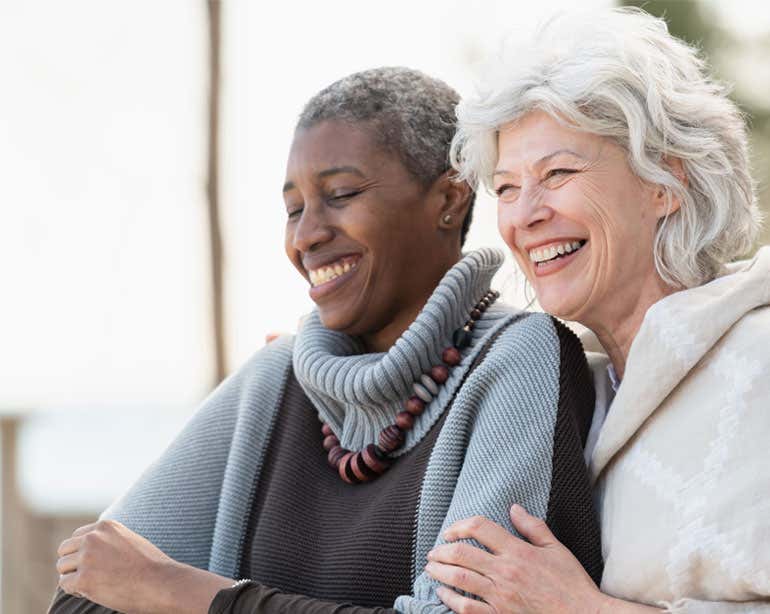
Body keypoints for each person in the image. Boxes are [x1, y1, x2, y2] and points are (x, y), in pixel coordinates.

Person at [50, 67, 601, 614]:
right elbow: (89, 593)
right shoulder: (275, 377)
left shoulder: (519, 359)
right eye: (293, 209)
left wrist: (177, 590)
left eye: (340, 194)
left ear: (449, 201)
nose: (306, 236)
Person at [423, 8, 770, 613]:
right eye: (505, 187)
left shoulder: (758, 361)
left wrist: (578, 608)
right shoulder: (570, 389)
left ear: (665, 183)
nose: (525, 214)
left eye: (558, 173)